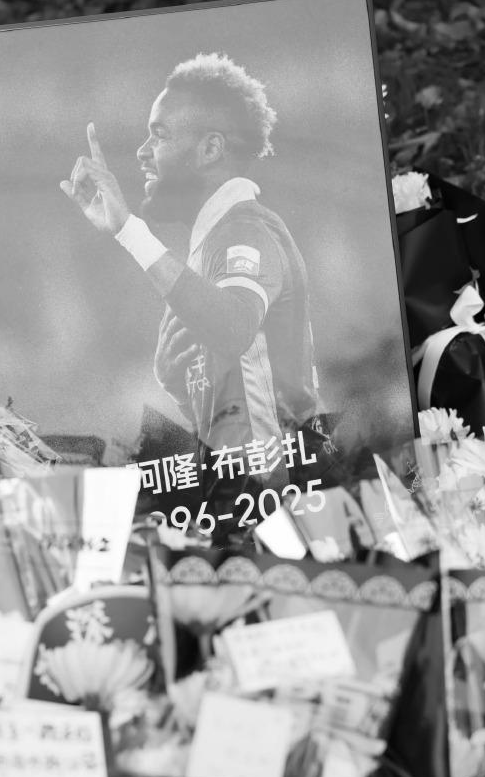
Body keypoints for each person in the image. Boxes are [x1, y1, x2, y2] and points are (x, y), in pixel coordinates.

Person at [61, 52, 326, 506]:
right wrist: (181, 388)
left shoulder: (245, 229)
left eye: (160, 135)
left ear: (210, 150)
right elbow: (240, 417)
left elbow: (233, 328)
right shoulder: (209, 243)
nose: (143, 151)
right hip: (252, 498)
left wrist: (128, 231)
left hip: (286, 504)